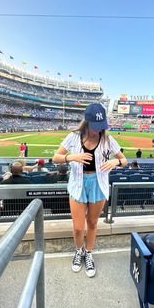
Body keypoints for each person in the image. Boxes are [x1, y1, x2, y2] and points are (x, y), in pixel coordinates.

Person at [53, 103, 127, 277]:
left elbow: (124, 160)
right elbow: (55, 157)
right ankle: (79, 251)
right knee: (78, 227)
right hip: (78, 183)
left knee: (92, 223)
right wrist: (72, 157)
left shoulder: (108, 139)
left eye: (101, 127)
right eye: (95, 127)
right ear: (87, 122)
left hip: (98, 184)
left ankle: (89, 253)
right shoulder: (73, 137)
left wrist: (116, 162)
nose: (97, 131)